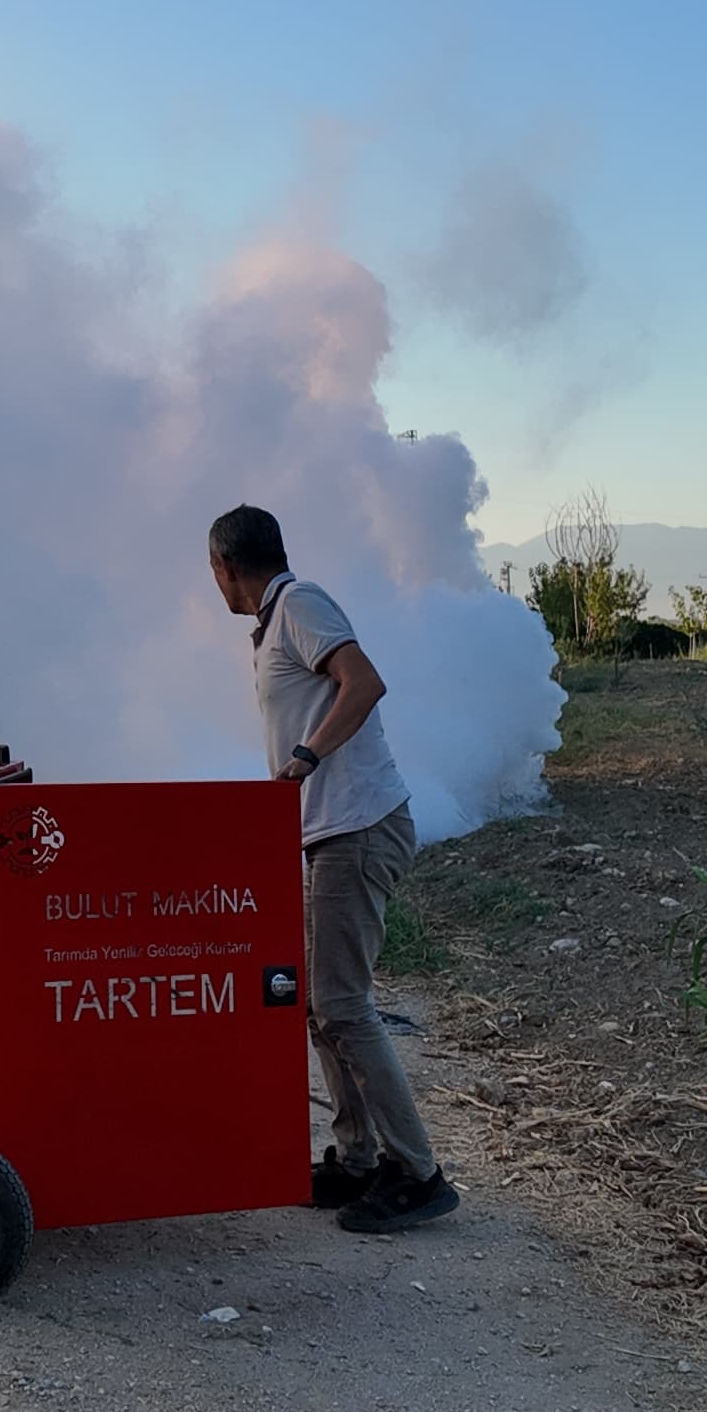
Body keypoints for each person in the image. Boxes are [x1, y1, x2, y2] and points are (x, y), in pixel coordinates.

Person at [206, 504, 458, 1234]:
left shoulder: (300, 604)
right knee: (320, 1005)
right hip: (329, 834)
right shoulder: (276, 621)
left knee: (343, 1004)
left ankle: (417, 1172)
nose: (214, 585)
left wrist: (307, 759)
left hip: (358, 829)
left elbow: (364, 682)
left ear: (227, 566)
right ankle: (356, 1160)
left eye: (214, 573)